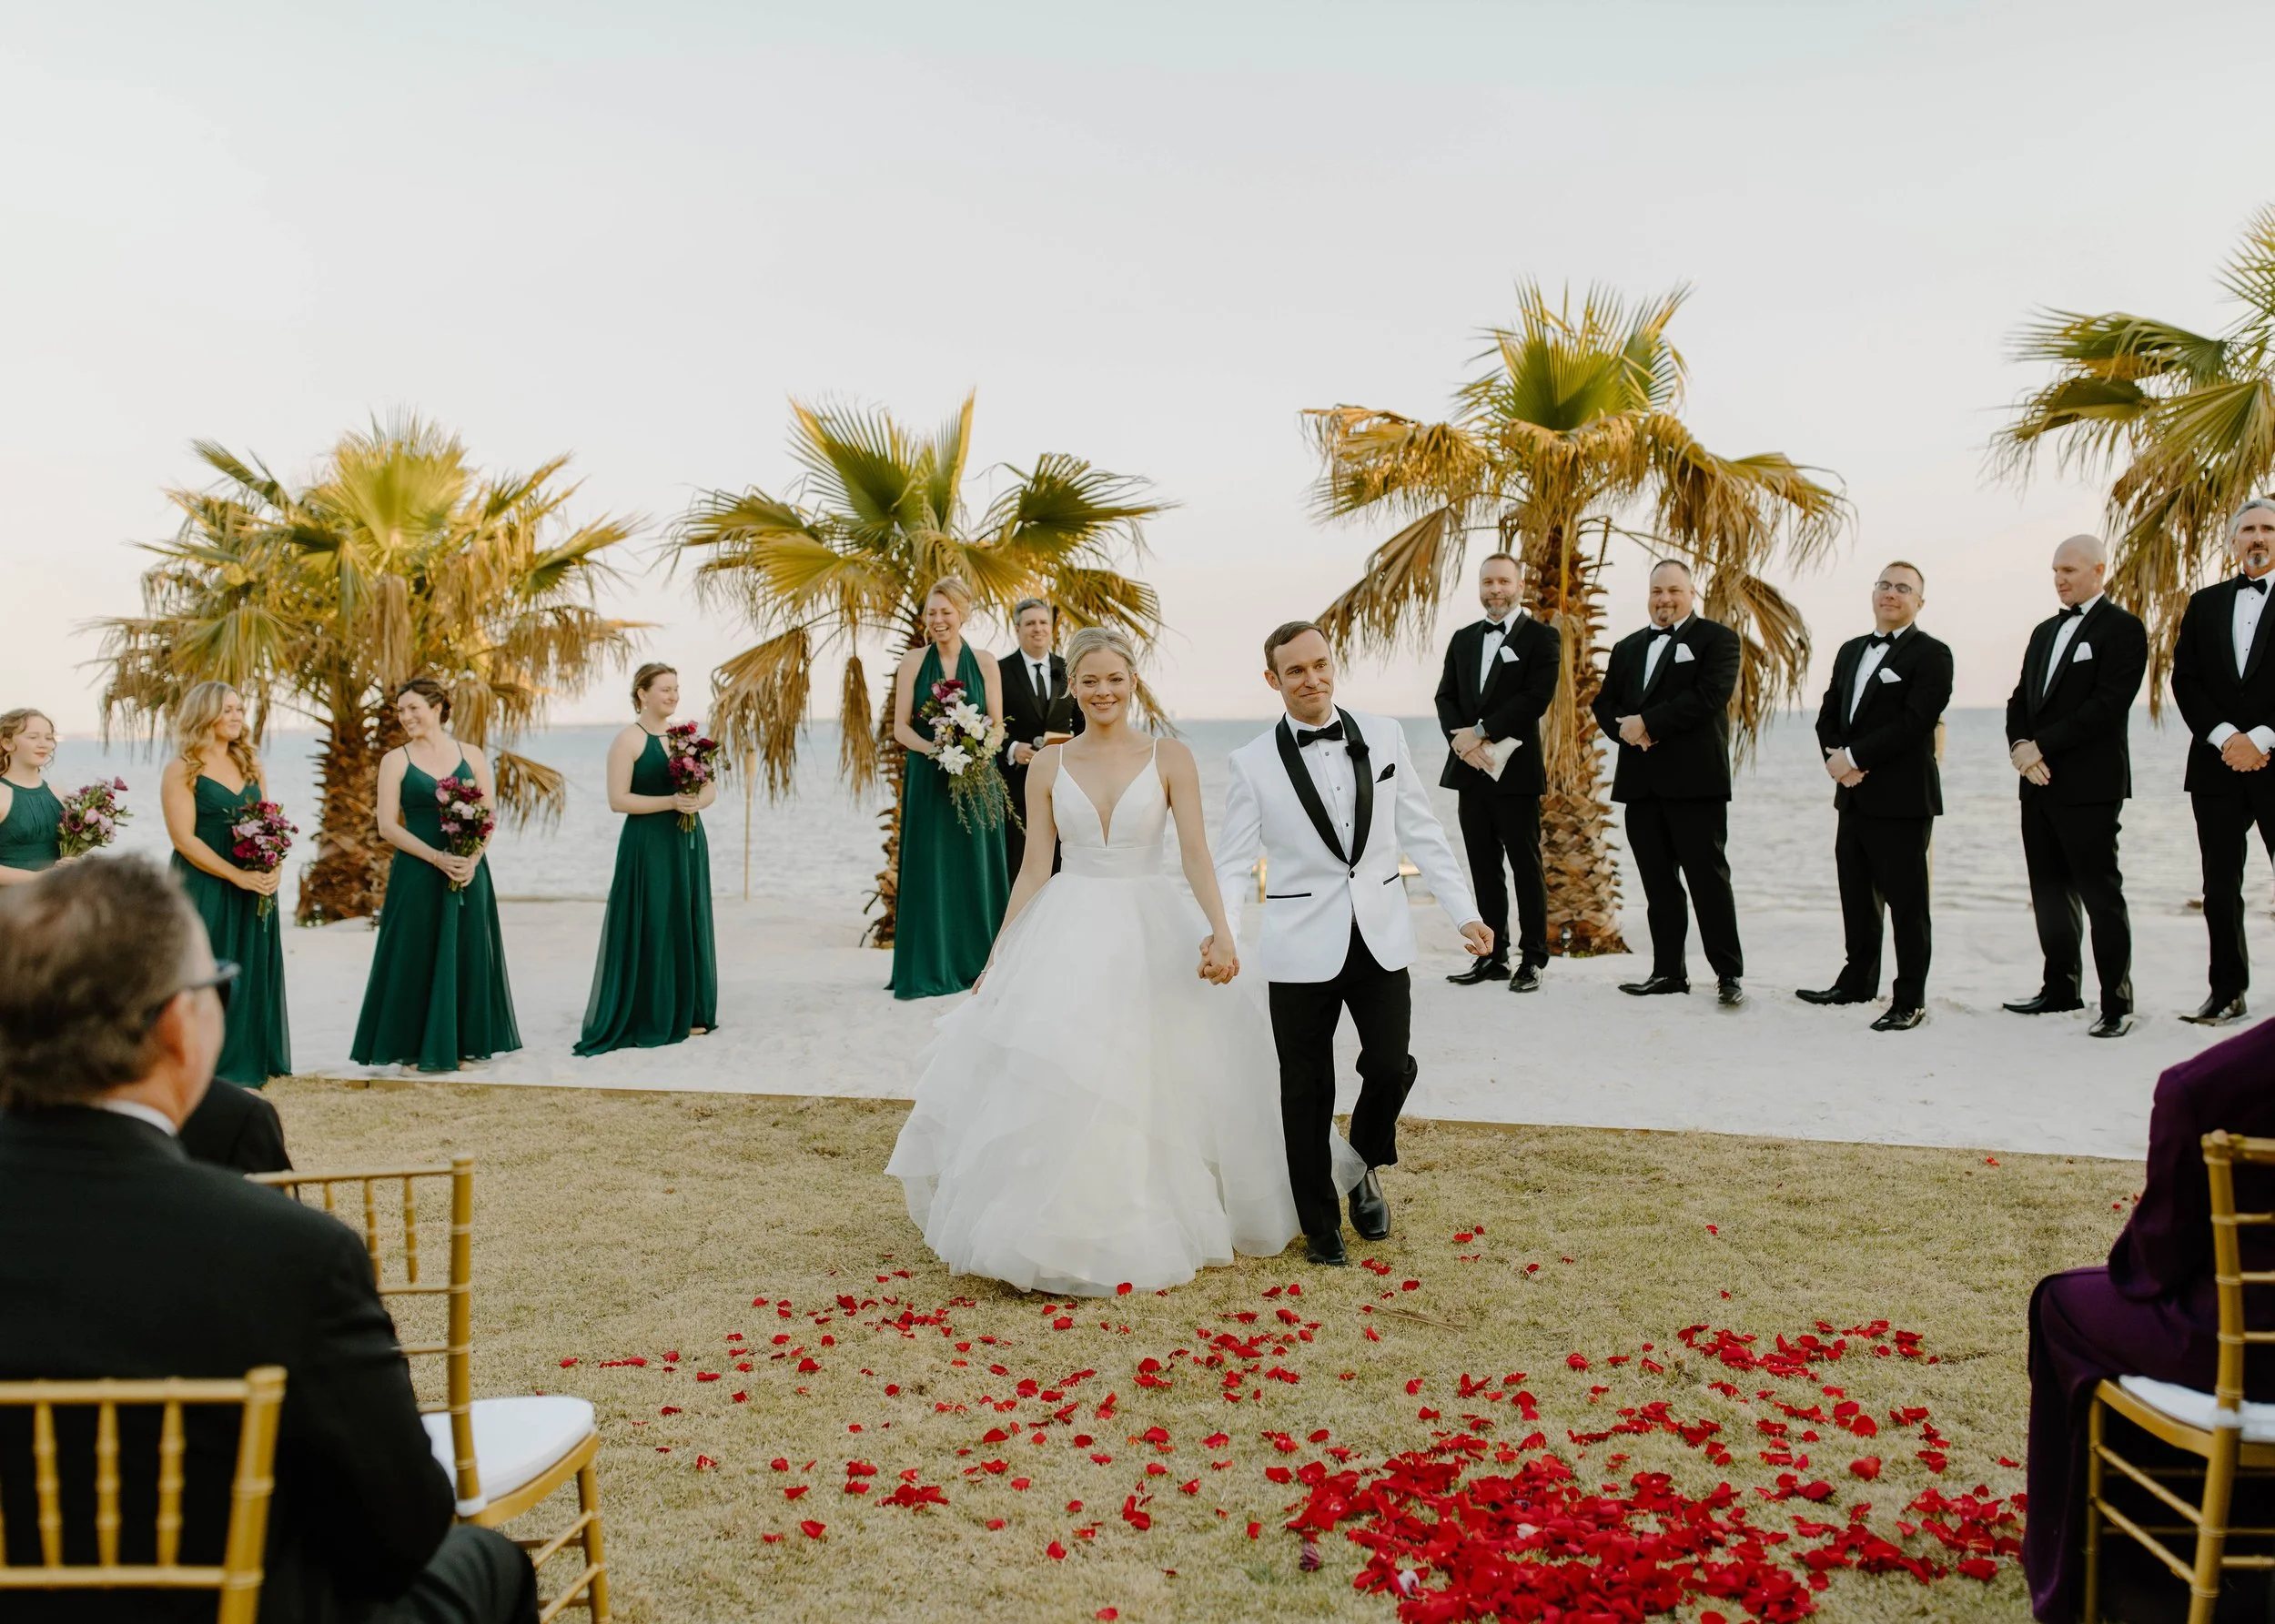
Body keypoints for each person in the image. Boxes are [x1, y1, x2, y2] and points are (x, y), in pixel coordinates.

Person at [0, 856, 537, 1624]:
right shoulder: (291, 1255)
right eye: (219, 984)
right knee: (488, 1561)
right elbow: (404, 1532)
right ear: (179, 1026)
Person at [887, 626, 1340, 1294]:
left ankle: (1144, 1213)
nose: (1104, 691)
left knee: (1151, 1068)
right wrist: (1000, 953)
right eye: (1090, 680)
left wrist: (1222, 931)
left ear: (1134, 682)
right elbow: (1035, 867)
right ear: (1072, 686)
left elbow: (1195, 855)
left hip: (1149, 921)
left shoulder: (1171, 757)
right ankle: (1051, 1225)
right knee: (1065, 1069)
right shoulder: (1048, 765)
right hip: (1068, 926)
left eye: (1115, 679)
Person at [1212, 622, 1492, 1267]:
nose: (1312, 679)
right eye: (1296, 671)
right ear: (1272, 680)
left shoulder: (1385, 734)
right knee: (1306, 1090)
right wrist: (1225, 930)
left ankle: (1363, 1160)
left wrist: (1464, 912)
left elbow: (1421, 831)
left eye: (1320, 665)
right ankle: (1320, 1224)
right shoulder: (1250, 762)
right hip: (1297, 944)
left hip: (1380, 932)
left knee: (1391, 1065)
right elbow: (1232, 862)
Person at [2022, 1018, 2275, 1623]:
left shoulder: (2208, 1087)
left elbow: (2158, 1261)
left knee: (2060, 1303)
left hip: (2250, 1356)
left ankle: (2096, 1572)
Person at [1796, 562, 1954, 1032]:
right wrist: (1834, 760)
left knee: (1908, 903)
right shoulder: (1850, 651)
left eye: (1903, 588)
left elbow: (1916, 721)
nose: (1891, 593)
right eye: (1884, 584)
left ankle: (1910, 999)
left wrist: (1857, 758)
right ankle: (1857, 982)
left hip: (1903, 798)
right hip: (1852, 794)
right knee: (1857, 895)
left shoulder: (1932, 655)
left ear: (1919, 602)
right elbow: (1829, 711)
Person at [2003, 535, 2149, 1040]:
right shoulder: (2044, 632)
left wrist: (2040, 746)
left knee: (2100, 894)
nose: (2060, 579)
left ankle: (2117, 1002)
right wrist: (2020, 747)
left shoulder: (2124, 629)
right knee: (2049, 892)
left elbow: (2107, 707)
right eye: (2055, 571)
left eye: (2069, 569)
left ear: (2098, 571)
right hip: (2037, 784)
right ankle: (2060, 988)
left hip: (2089, 785)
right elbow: (2020, 698)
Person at [1591, 560, 1746, 1007]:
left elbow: (1707, 697)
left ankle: (1728, 974)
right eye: (1657, 591)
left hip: (1696, 783)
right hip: (1641, 786)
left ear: (1691, 593)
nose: (1664, 599)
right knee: (1659, 887)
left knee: (1708, 881)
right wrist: (1625, 728)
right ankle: (1667, 973)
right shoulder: (1627, 647)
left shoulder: (1718, 640)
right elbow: (1605, 703)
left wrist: (1648, 724)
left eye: (1674, 591)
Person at [349, 679, 521, 1073]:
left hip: (469, 869)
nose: (406, 716)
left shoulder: (471, 754)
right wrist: (436, 858)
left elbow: (488, 815)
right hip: (417, 870)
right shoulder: (395, 760)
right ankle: (412, 1049)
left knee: (467, 949)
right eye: (400, 710)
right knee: (415, 952)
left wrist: (472, 858)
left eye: (413, 708)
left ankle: (464, 1046)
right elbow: (387, 827)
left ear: (439, 706)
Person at [574, 661, 719, 1056]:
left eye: (676, 688)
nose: (673, 695)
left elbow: (710, 791)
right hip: (648, 843)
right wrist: (671, 802)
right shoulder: (629, 740)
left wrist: (694, 802)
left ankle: (690, 1011)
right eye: (665, 689)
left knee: (686, 918)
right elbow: (618, 800)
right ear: (642, 693)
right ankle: (652, 1011)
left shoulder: (686, 739)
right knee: (654, 921)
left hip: (687, 842)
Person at [2170, 499, 2275, 1026]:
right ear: (2234, 541)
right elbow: (2184, 680)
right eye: (2248, 530)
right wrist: (2224, 737)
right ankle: (2227, 992)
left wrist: (2262, 738)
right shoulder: (2204, 603)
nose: (2258, 538)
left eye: (2268, 529)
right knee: (2220, 887)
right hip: (2215, 766)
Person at [1435, 552, 1560, 993]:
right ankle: (1493, 956)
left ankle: (1533, 959)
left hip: (1516, 772)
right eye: (1488, 582)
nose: (1495, 590)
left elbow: (1534, 698)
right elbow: (1445, 697)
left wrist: (1482, 732)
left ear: (1520, 585)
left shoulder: (1542, 639)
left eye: (1504, 581)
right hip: (1470, 772)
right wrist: (1462, 744)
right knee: (1483, 867)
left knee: (1526, 866)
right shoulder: (1463, 639)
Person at [887, 577, 1011, 1000]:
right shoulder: (912, 662)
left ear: (963, 613)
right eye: (931, 612)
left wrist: (977, 749)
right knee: (931, 865)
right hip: (928, 777)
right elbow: (900, 728)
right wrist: (937, 751)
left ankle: (983, 961)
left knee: (975, 864)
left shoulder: (986, 661)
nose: (938, 620)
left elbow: (998, 726)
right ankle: (930, 964)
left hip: (978, 778)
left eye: (946, 611)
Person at [161, 681, 290, 1084]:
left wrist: (274, 868)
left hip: (256, 882)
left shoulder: (251, 763)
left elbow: (270, 824)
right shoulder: (183, 767)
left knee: (252, 966)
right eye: (227, 710)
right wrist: (238, 876)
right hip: (205, 882)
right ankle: (205, 1064)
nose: (237, 717)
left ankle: (250, 1059)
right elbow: (183, 839)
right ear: (205, 715)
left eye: (239, 709)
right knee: (205, 968)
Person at [996, 597, 1083, 877]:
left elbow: (1083, 724)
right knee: (1020, 862)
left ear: (1052, 627)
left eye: (1043, 622)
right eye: (1030, 623)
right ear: (1017, 628)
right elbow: (988, 723)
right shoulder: (999, 672)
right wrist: (1010, 748)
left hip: (1065, 781)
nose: (1038, 629)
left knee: (1063, 863)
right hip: (1016, 786)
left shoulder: (1070, 669)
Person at [0, 706, 64, 883]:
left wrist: (73, 864)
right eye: (33, 737)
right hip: (10, 903)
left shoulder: (60, 794)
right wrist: (39, 878)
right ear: (7, 743)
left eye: (48, 738)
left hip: (55, 900)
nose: (43, 743)